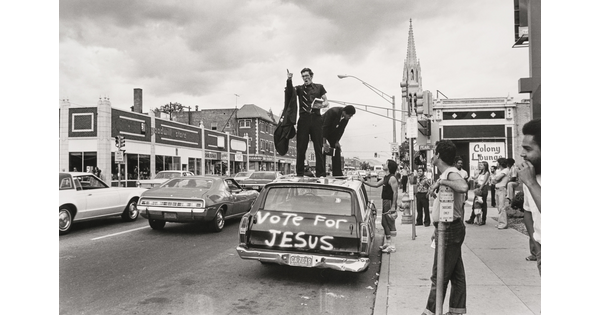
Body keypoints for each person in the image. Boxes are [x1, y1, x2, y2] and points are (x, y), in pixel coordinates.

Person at [423, 140, 469, 315]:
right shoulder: (447, 173)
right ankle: (456, 310)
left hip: (450, 229)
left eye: (434, 152)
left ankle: (430, 312)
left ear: (439, 156)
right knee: (457, 275)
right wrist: (437, 230)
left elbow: (463, 187)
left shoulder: (450, 173)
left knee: (439, 276)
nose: (432, 156)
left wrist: (442, 183)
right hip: (447, 228)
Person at [288, 68, 329, 177]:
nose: (305, 78)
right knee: (301, 147)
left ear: (311, 76)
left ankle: (321, 173)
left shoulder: (319, 87)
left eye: (307, 76)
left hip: (316, 118)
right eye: (303, 76)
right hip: (304, 119)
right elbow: (289, 92)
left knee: (318, 146)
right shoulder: (299, 89)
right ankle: (300, 173)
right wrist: (289, 80)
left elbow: (326, 101)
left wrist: (322, 105)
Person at [517, 118, 541, 274]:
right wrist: (537, 248)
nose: (522, 154)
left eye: (528, 149)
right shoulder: (531, 176)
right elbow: (528, 213)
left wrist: (531, 183)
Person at [361, 159, 399, 253]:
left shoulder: (392, 178)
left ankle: (393, 246)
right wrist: (364, 182)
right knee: (384, 222)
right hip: (385, 201)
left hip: (389, 202)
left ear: (389, 167)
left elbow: (395, 192)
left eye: (386, 163)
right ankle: (388, 242)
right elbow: (377, 185)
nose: (384, 164)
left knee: (390, 223)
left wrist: (393, 206)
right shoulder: (386, 177)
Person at [322, 105, 356, 176]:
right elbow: (325, 126)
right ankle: (321, 172)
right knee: (322, 149)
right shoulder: (333, 112)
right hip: (321, 130)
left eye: (351, 116)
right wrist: (324, 142)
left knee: (337, 149)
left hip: (332, 132)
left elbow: (341, 130)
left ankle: (337, 173)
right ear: (344, 112)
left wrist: (337, 141)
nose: (349, 117)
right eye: (349, 115)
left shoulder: (346, 119)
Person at [465, 161, 490, 225]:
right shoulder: (480, 172)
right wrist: (471, 177)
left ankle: (483, 219)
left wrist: (479, 189)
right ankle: (472, 218)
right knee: (475, 203)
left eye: (481, 165)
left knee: (483, 204)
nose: (480, 166)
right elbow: (475, 177)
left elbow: (484, 182)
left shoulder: (487, 173)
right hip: (478, 187)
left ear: (485, 166)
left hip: (483, 188)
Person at [492, 158, 510, 229]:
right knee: (498, 206)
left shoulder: (506, 170)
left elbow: (497, 178)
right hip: (497, 189)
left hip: (501, 189)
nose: (497, 164)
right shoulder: (498, 170)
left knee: (501, 207)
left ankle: (503, 224)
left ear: (501, 163)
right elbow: (493, 180)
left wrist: (495, 179)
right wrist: (495, 179)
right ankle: (500, 222)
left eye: (498, 163)